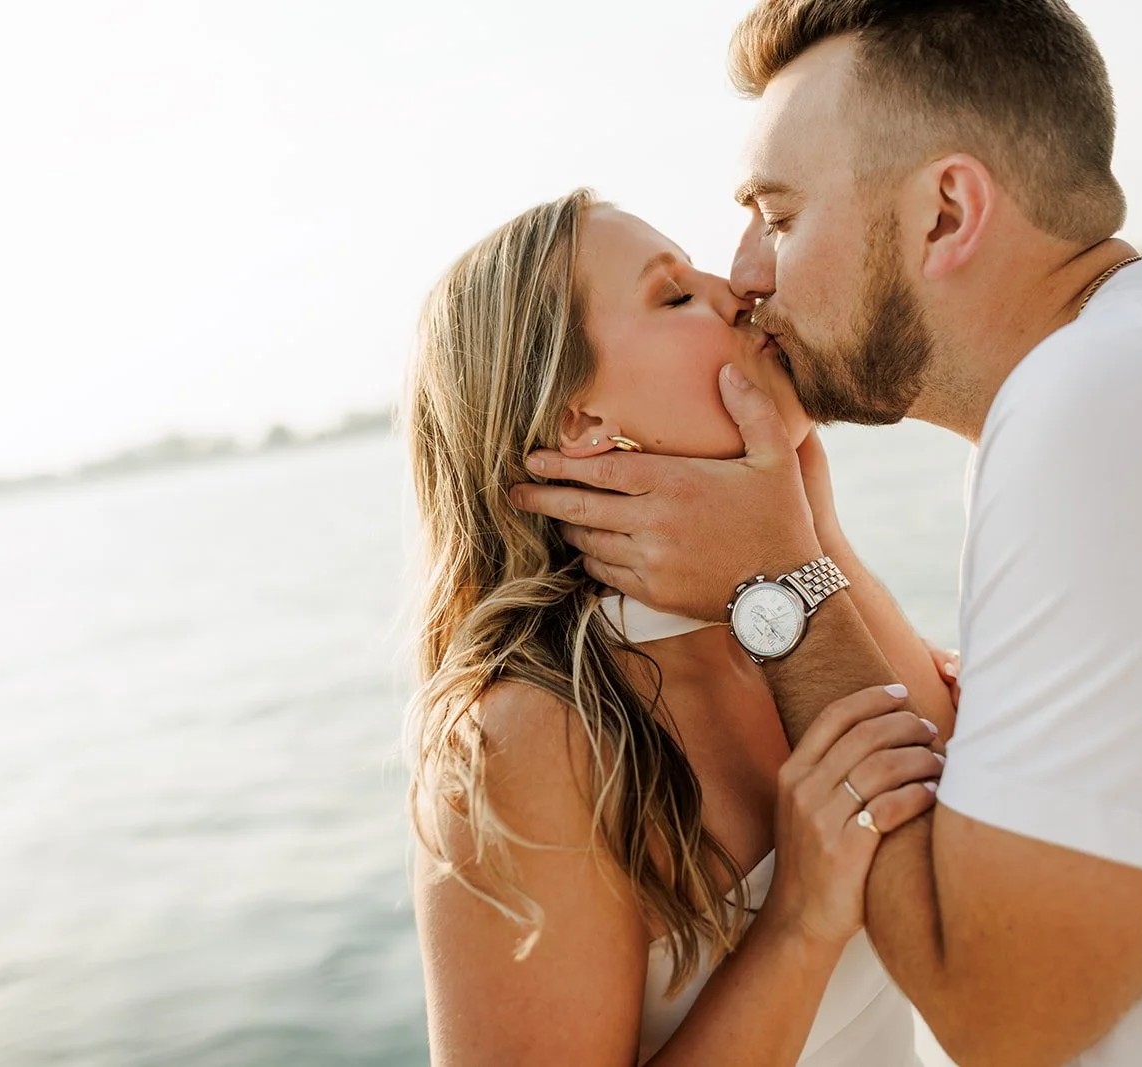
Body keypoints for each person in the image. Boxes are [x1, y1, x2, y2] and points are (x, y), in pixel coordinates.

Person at [509, 2, 1142, 1065]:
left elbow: (999, 1012)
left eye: (778, 217)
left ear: (945, 213)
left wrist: (777, 585)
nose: (744, 275)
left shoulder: (1113, 405)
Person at [407, 189, 963, 1066]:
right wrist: (798, 927)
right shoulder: (533, 734)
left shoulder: (781, 622)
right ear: (578, 423)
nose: (738, 287)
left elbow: (975, 828)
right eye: (673, 295)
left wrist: (809, 537)